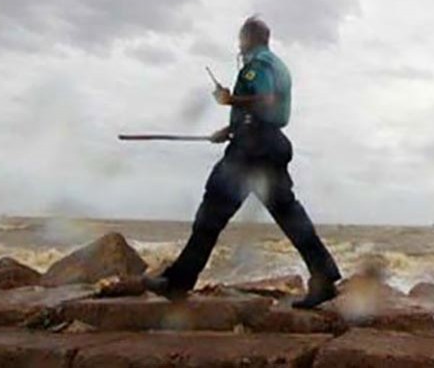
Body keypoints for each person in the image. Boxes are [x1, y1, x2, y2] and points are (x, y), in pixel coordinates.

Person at [143, 16, 342, 308]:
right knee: (289, 215)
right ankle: (324, 276)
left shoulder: (256, 65)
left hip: (251, 148)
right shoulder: (279, 65)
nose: (239, 45)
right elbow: (266, 111)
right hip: (269, 142)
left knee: (210, 214)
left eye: (241, 39)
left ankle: (178, 282)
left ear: (248, 38)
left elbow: (267, 99)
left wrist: (229, 100)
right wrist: (229, 130)